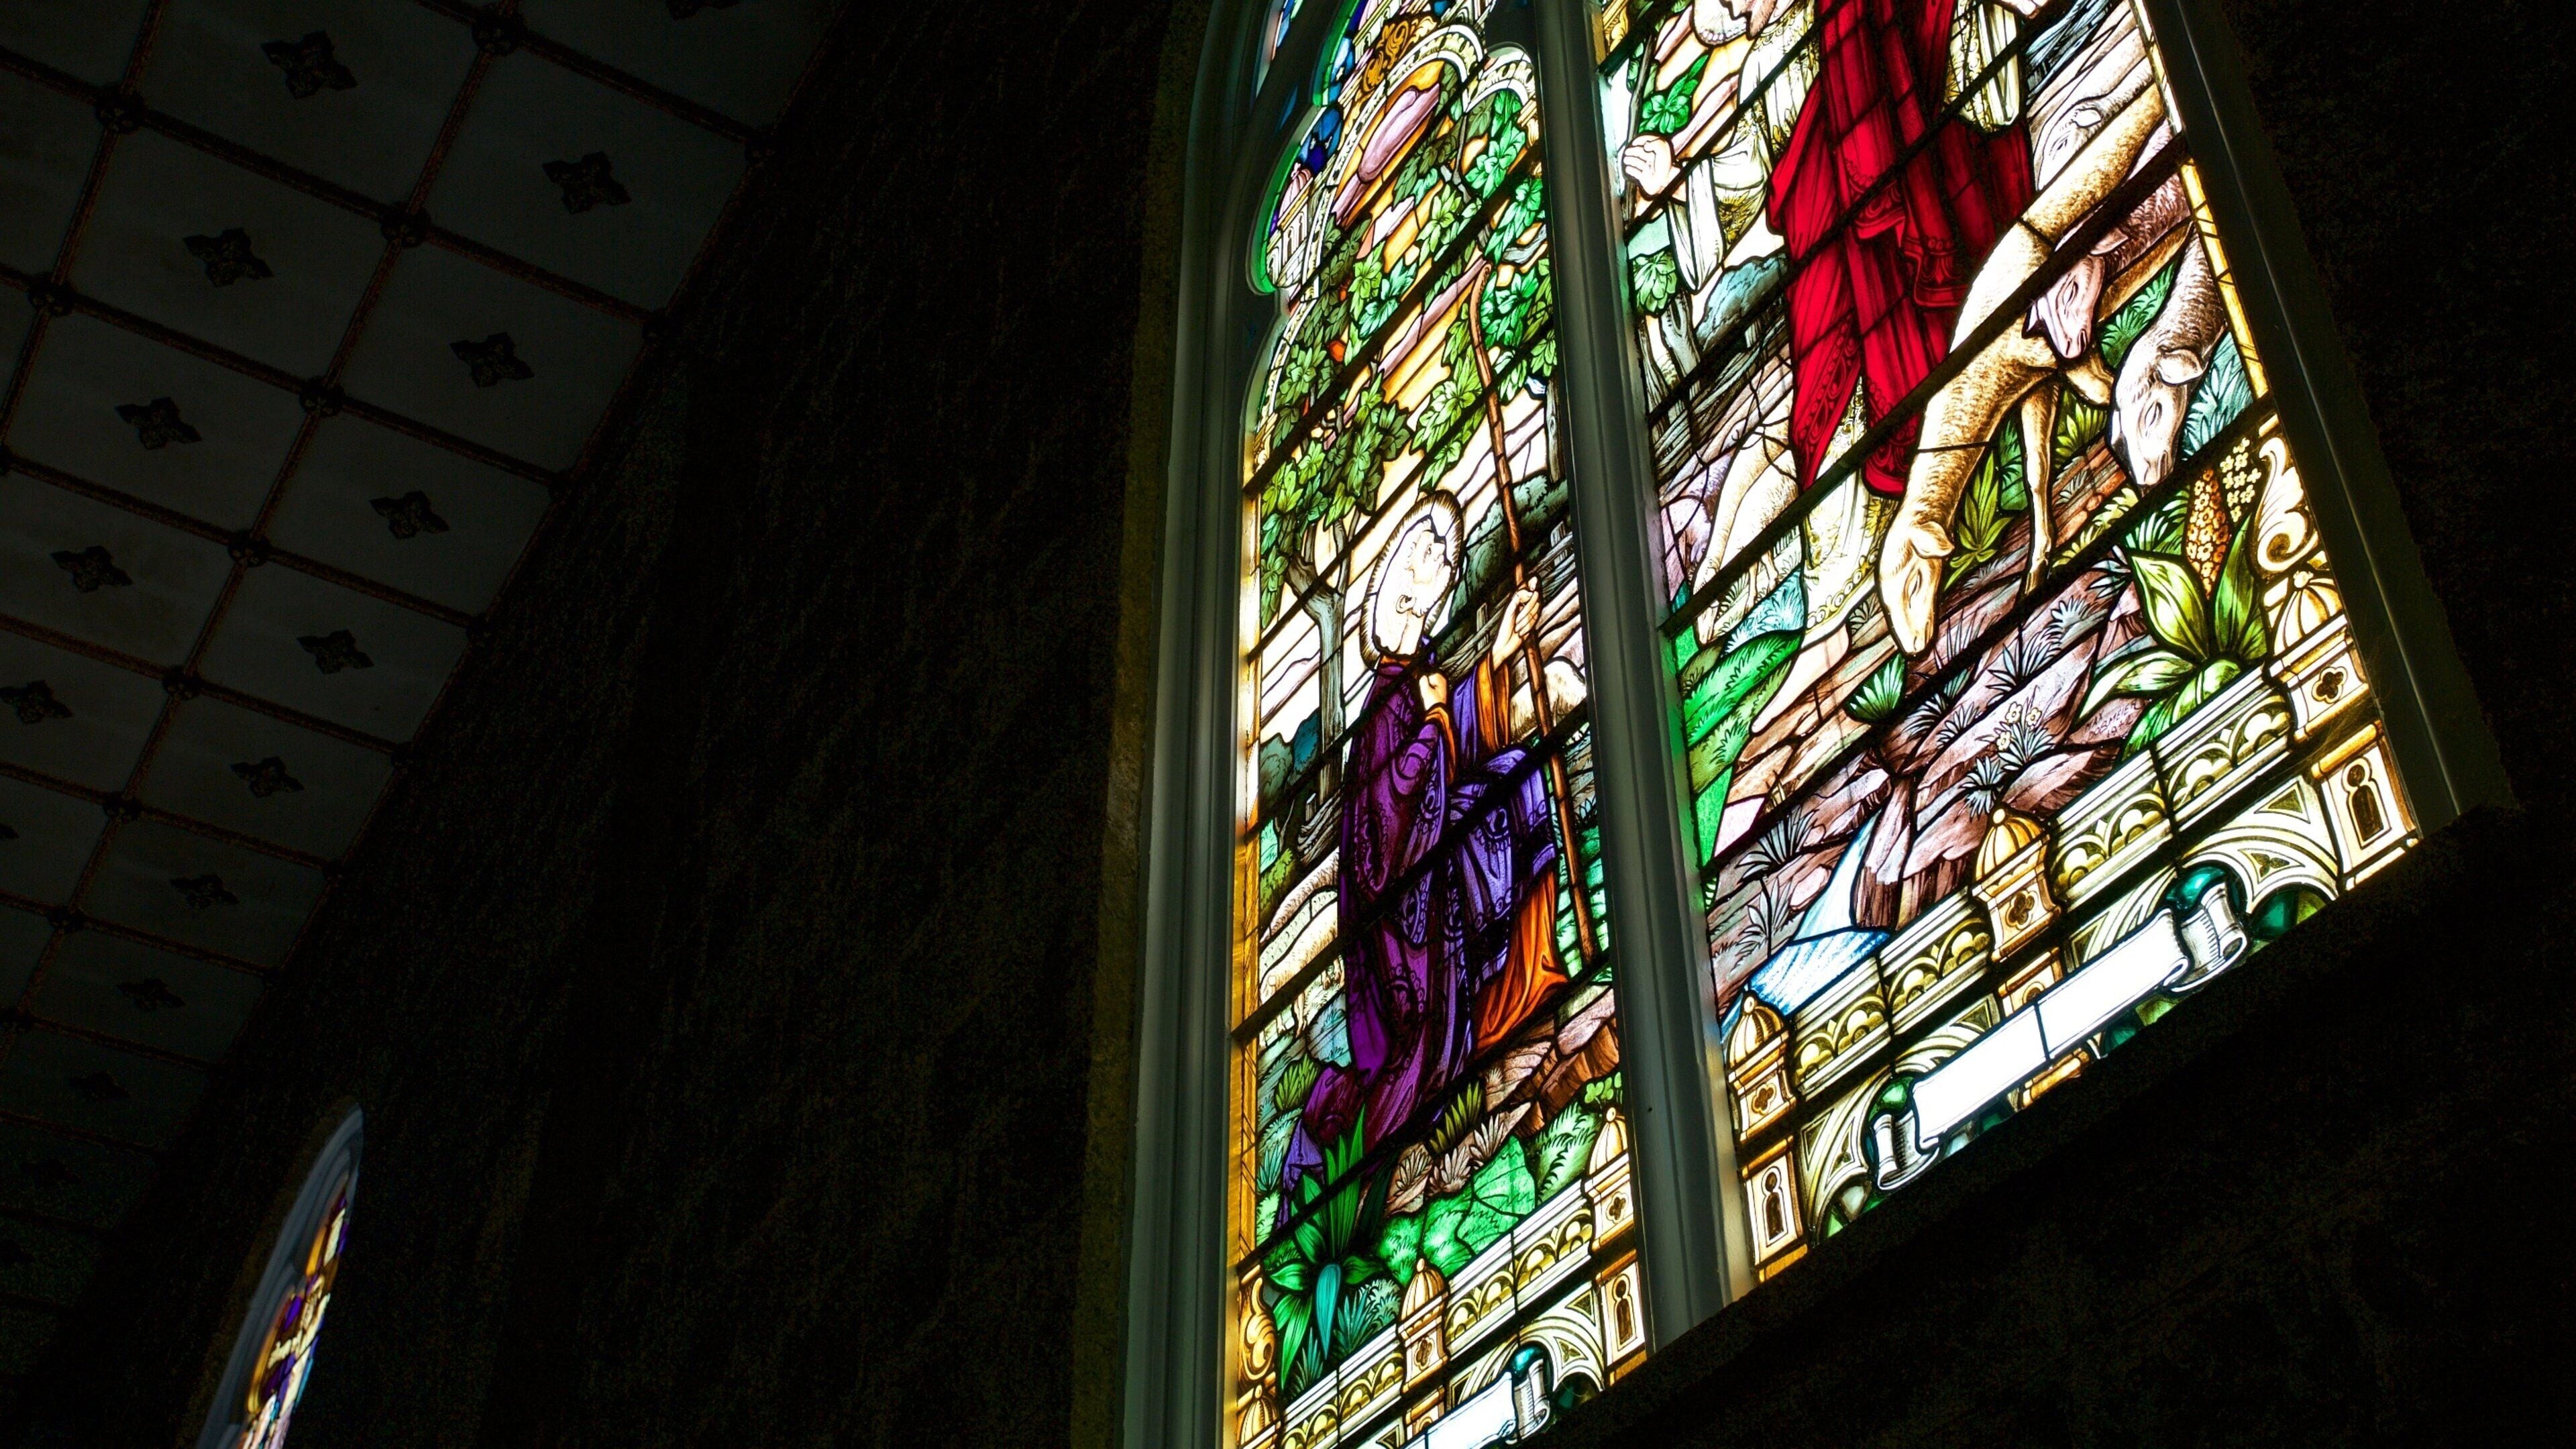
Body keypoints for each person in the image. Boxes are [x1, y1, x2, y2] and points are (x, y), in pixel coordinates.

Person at [1277, 502, 1568, 1210]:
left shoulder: (1418, 678)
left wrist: (1498, 652)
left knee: (1517, 780)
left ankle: (1520, 993)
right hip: (1401, 922)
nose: (1441, 560)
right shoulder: (1385, 701)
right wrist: (1436, 719)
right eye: (1427, 551)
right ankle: (1489, 1018)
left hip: (1424, 875)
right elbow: (1386, 818)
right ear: (1403, 594)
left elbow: (1452, 739)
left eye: (1445, 551)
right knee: (1513, 789)